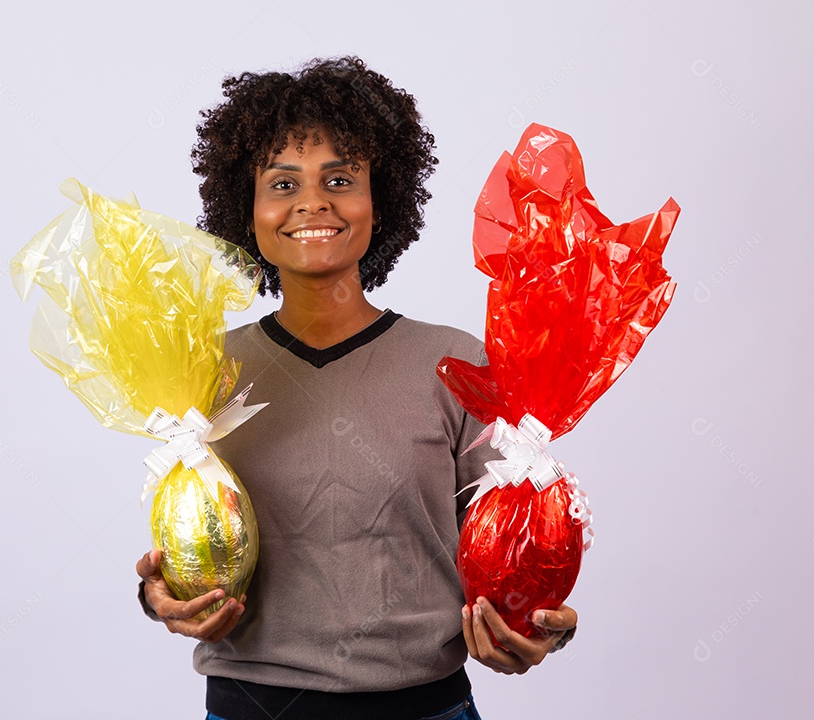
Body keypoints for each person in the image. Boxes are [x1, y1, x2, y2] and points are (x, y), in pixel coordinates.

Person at [134, 56, 578, 720]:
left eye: (340, 179)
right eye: (282, 183)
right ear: (246, 210)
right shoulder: (207, 371)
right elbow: (181, 541)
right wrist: (156, 597)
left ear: (382, 200)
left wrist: (547, 626)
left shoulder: (455, 364)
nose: (312, 203)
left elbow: (510, 554)